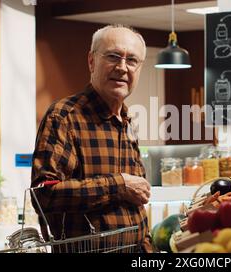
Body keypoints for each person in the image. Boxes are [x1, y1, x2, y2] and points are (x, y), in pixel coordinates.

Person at [31, 24, 152, 253]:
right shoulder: (64, 116)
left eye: (132, 60)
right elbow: (43, 195)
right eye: (113, 56)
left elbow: (132, 208)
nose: (122, 67)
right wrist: (120, 185)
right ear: (91, 61)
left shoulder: (127, 120)